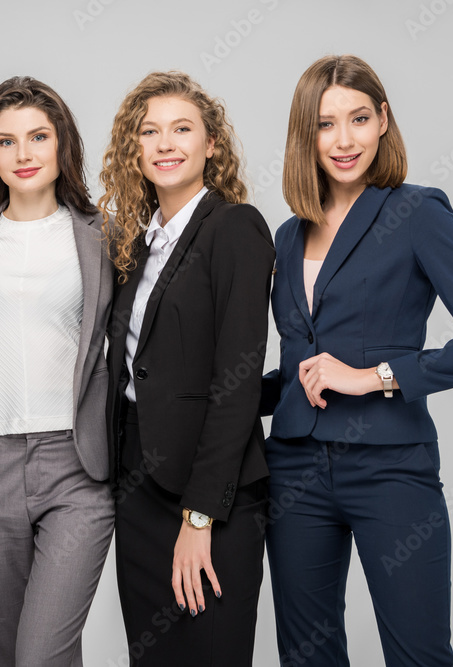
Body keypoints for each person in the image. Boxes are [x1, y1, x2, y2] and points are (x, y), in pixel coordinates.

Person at [261, 54, 453, 666]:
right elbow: (302, 368)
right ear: (307, 134)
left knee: (418, 657)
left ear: (384, 119)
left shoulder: (418, 212)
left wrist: (373, 377)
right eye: (326, 124)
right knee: (307, 657)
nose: (345, 139)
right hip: (296, 469)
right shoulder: (288, 234)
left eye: (359, 118)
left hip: (390, 467)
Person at [0, 76, 115, 667]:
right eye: (6, 141)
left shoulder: (104, 237)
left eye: (38, 137)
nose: (24, 154)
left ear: (62, 143)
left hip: (77, 465)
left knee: (42, 655)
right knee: (2, 654)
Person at [99, 71, 274, 666]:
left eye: (182, 129)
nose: (165, 143)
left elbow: (239, 379)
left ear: (211, 146)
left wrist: (200, 515)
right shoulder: (137, 244)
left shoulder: (235, 228)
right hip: (138, 488)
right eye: (149, 132)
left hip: (208, 497)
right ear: (135, 149)